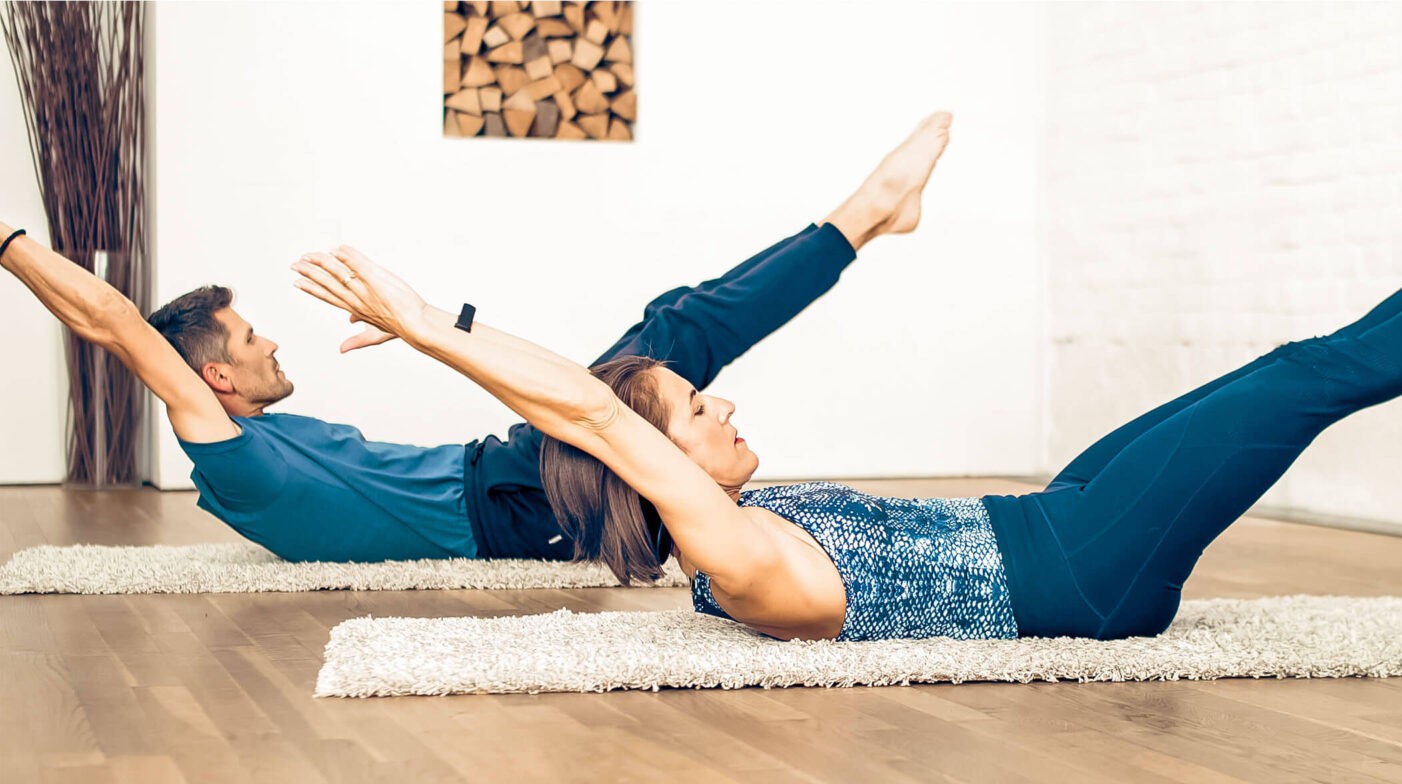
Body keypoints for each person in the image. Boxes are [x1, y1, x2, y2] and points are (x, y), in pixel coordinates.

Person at [289, 111, 1402, 642]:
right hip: (1084, 577)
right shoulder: (733, 558)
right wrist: (426, 326)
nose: (721, 402)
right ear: (662, 474)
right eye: (695, 415)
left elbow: (590, 397)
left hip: (1043, 518)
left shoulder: (727, 526)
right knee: (1314, 375)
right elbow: (585, 410)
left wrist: (439, 319)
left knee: (1273, 367)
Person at [0, 116, 951, 563]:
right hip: (510, 505)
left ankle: (861, 222)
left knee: (668, 338)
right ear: (212, 375)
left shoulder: (253, 447)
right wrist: (8, 243)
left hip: (503, 482)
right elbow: (113, 322)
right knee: (670, 342)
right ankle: (861, 217)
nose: (271, 345)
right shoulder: (227, 453)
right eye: (250, 339)